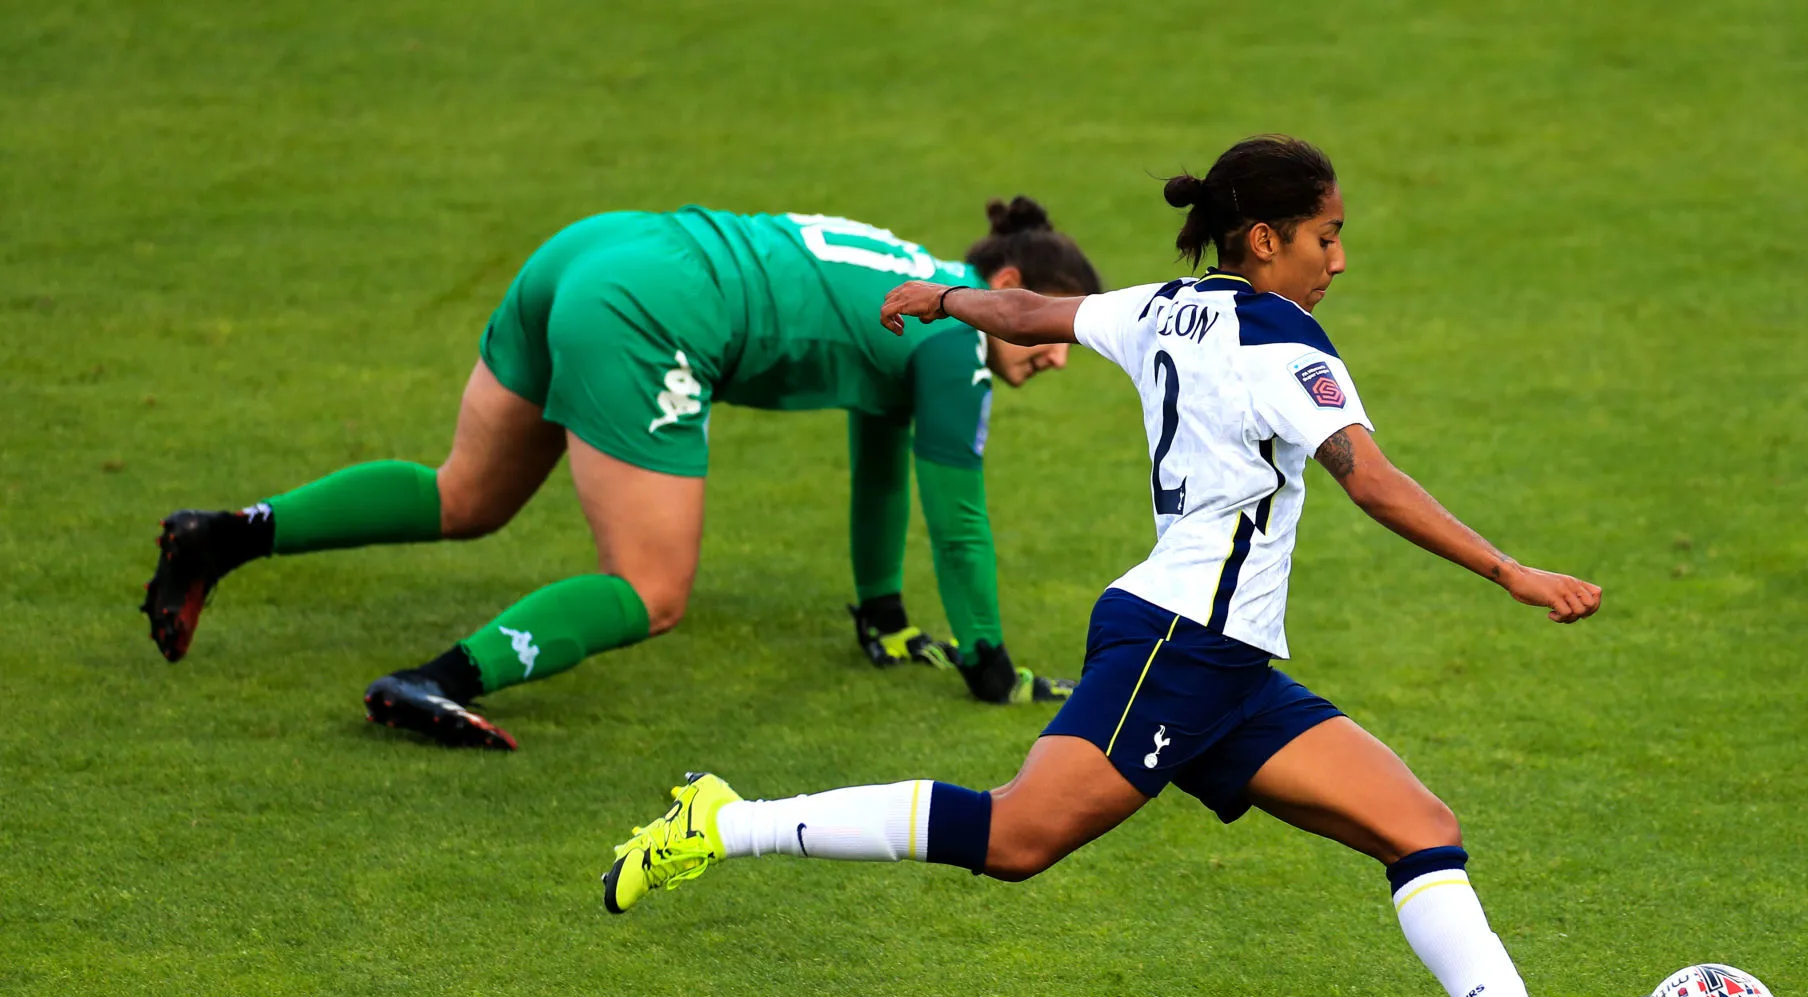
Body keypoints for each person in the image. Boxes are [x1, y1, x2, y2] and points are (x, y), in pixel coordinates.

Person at [598, 136, 1656, 997]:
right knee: (1016, 838)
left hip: (1225, 662)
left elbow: (1030, 315)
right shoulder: (1284, 341)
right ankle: (724, 822)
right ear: (1265, 239)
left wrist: (945, 297)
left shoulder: (1162, 306)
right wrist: (1509, 571)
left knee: (1417, 824)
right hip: (1177, 643)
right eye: (1325, 236)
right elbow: (1369, 481)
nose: (1338, 259)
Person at [140, 199, 1098, 749]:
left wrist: (881, 611)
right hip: (652, 308)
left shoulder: (916, 283)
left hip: (592, 249)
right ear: (1007, 292)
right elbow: (957, 522)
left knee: (464, 495)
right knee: (652, 587)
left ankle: (221, 535)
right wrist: (988, 665)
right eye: (1054, 328)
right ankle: (430, 682)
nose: (1057, 353)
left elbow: (881, 462)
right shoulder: (955, 343)